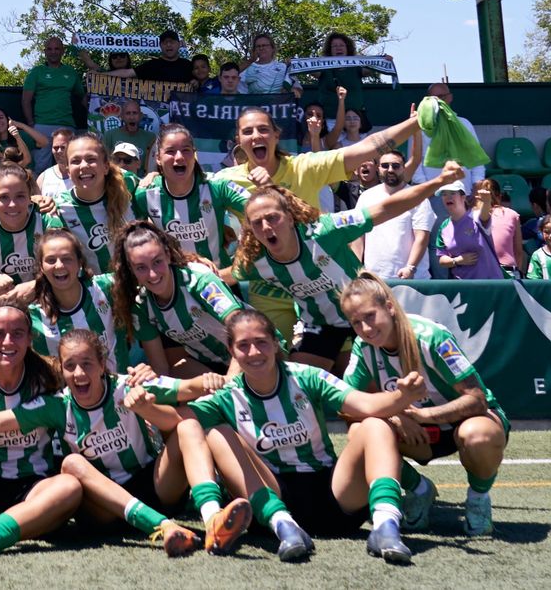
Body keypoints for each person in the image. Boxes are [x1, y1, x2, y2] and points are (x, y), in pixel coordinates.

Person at [155, 309, 428, 564]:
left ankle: (386, 527)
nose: (253, 352)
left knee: (374, 425)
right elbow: (176, 423)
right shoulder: (227, 395)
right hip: (272, 500)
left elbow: (366, 405)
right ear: (232, 352)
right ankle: (283, 526)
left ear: (276, 344)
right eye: (243, 345)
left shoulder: (307, 376)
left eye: (261, 342)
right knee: (217, 434)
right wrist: (149, 402)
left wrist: (402, 396)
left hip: (332, 496)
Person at [0, 324, 242, 562]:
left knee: (189, 425)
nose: (79, 373)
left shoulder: (128, 386)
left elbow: (187, 388)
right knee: (71, 464)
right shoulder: (55, 405)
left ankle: (211, 518)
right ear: (61, 371)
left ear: (103, 365)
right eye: (70, 366)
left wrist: (209, 381)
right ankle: (162, 526)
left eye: (87, 364)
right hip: (103, 508)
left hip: (153, 484)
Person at [0, 302, 145, 564]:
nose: (8, 341)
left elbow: (99, 381)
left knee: (70, 487)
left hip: (34, 489)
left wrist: (140, 375)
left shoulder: (50, 375)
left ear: (30, 338)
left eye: (18, 333)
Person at [232, 162, 466, 369]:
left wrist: (439, 181)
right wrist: (196, 263)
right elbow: (226, 276)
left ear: (290, 218)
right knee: (303, 384)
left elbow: (387, 208)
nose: (266, 227)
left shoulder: (325, 230)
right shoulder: (256, 261)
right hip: (319, 324)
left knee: (384, 385)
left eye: (272, 217)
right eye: (257, 223)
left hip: (363, 317)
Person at [217, 103, 422, 338]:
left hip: (324, 290)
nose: (256, 136)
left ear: (276, 134)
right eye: (248, 131)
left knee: (346, 362)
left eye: (263, 129)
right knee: (272, 364)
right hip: (269, 294)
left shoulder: (305, 167)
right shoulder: (226, 182)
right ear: (238, 140)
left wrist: (416, 123)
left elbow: (368, 147)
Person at [339, 272, 509, 536]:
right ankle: (418, 489)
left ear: (390, 307)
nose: (366, 329)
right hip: (419, 432)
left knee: (478, 436)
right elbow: (347, 406)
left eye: (370, 316)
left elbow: (477, 399)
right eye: (356, 323)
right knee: (359, 432)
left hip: (461, 423)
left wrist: (425, 415)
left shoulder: (432, 337)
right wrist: (395, 418)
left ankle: (478, 499)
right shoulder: (363, 348)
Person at [113, 219, 246, 378]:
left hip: (254, 351)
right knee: (176, 372)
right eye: (141, 267)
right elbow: (162, 369)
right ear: (130, 269)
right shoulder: (142, 306)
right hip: (215, 366)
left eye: (157, 262)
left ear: (168, 255)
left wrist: (229, 388)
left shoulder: (199, 281)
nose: (153, 274)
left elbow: (245, 332)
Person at [132, 124, 247, 274]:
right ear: (158, 158)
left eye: (186, 150)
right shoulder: (144, 194)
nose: (179, 157)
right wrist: (188, 260)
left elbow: (262, 213)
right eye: (170, 151)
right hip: (172, 284)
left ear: (194, 154)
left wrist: (238, 265)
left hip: (220, 280)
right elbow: (134, 243)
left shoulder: (217, 186)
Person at [20, 228, 125, 366]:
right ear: (41, 267)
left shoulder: (105, 287)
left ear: (80, 262)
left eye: (67, 259)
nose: (59, 265)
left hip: (120, 383)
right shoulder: (33, 315)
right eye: (51, 260)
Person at [0, 163, 64, 287]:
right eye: (4, 197)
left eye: (20, 196)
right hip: (2, 298)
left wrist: (31, 288)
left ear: (30, 197)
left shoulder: (46, 218)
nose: (12, 204)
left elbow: (66, 267)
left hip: (44, 292)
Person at [51, 133, 134, 276]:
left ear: (106, 166)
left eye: (91, 159)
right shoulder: (59, 209)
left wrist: (153, 175)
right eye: (75, 161)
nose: (83, 166)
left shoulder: (129, 185)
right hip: (99, 293)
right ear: (68, 171)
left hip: (140, 284)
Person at [358, 151, 436, 280]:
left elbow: (422, 237)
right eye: (385, 165)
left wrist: (410, 267)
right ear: (378, 168)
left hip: (411, 279)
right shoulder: (366, 197)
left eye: (395, 166)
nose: (390, 170)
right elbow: (358, 236)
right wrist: (356, 267)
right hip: (374, 279)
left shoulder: (418, 197)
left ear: (403, 168)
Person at [411, 81, 485, 191]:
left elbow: (476, 158)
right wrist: (425, 188)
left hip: (464, 192)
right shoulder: (419, 126)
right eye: (433, 98)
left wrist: (476, 184)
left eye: (441, 96)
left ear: (450, 97)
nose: (437, 101)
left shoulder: (465, 124)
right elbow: (414, 161)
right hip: (432, 193)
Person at [434, 179, 505, 280]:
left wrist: (487, 202)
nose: (448, 197)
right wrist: (457, 261)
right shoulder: (444, 227)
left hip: (491, 285)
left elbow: (484, 215)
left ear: (463, 197)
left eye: (453, 193)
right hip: (464, 288)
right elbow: (441, 259)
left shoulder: (476, 217)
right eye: (444, 194)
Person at [22, 36, 87, 144]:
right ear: (45, 51)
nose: (53, 52)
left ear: (62, 51)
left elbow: (83, 97)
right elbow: (25, 100)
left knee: (68, 160)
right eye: (49, 49)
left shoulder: (71, 72)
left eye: (57, 49)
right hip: (42, 125)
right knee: (42, 161)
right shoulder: (36, 72)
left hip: (67, 125)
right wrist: (31, 124)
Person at [476, 176, 525, 276]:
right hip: (509, 272)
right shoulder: (513, 215)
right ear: (499, 196)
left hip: (479, 273)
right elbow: (519, 252)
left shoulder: (470, 215)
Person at [104, 99, 157, 170]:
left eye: (134, 113)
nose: (131, 117)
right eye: (128, 113)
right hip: (117, 178)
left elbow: (152, 166)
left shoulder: (150, 137)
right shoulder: (110, 135)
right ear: (122, 116)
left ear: (140, 116)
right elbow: (104, 161)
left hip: (140, 179)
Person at [34, 126, 73, 196]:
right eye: (56, 148)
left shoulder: (82, 174)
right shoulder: (43, 177)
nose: (59, 151)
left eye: (63, 147)